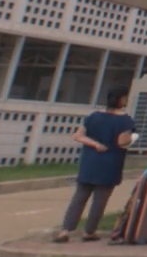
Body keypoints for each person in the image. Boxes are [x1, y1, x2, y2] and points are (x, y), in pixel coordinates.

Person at [52, 88, 137, 243]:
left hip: (89, 162)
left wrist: (95, 144)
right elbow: (122, 142)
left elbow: (78, 136)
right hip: (110, 162)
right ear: (122, 100)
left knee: (79, 197)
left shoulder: (93, 116)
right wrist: (134, 137)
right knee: (100, 199)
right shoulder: (126, 121)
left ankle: (65, 230)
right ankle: (89, 231)